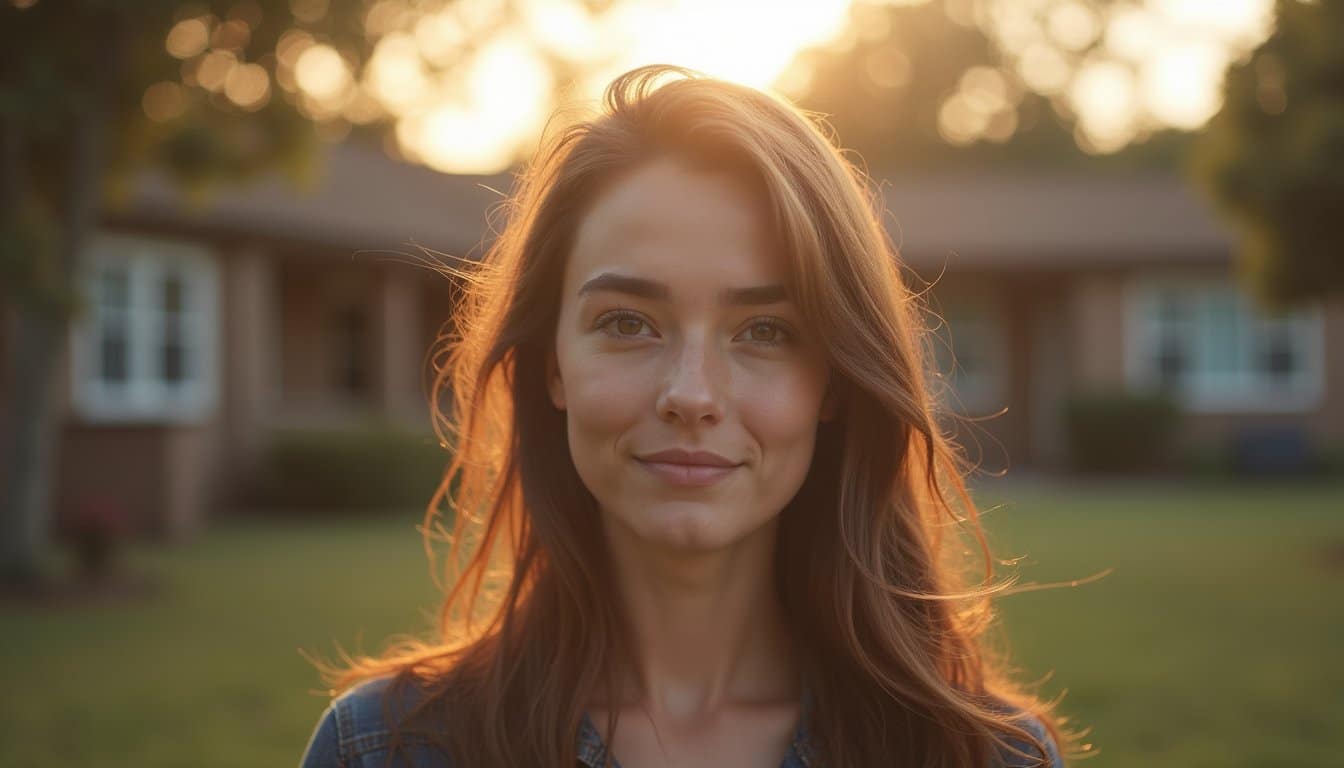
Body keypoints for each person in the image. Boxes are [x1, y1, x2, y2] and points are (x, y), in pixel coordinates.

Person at [299, 64, 1070, 768]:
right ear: (552, 364)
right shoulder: (381, 752)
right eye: (628, 322)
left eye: (765, 331)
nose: (692, 394)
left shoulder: (987, 757)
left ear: (834, 383)